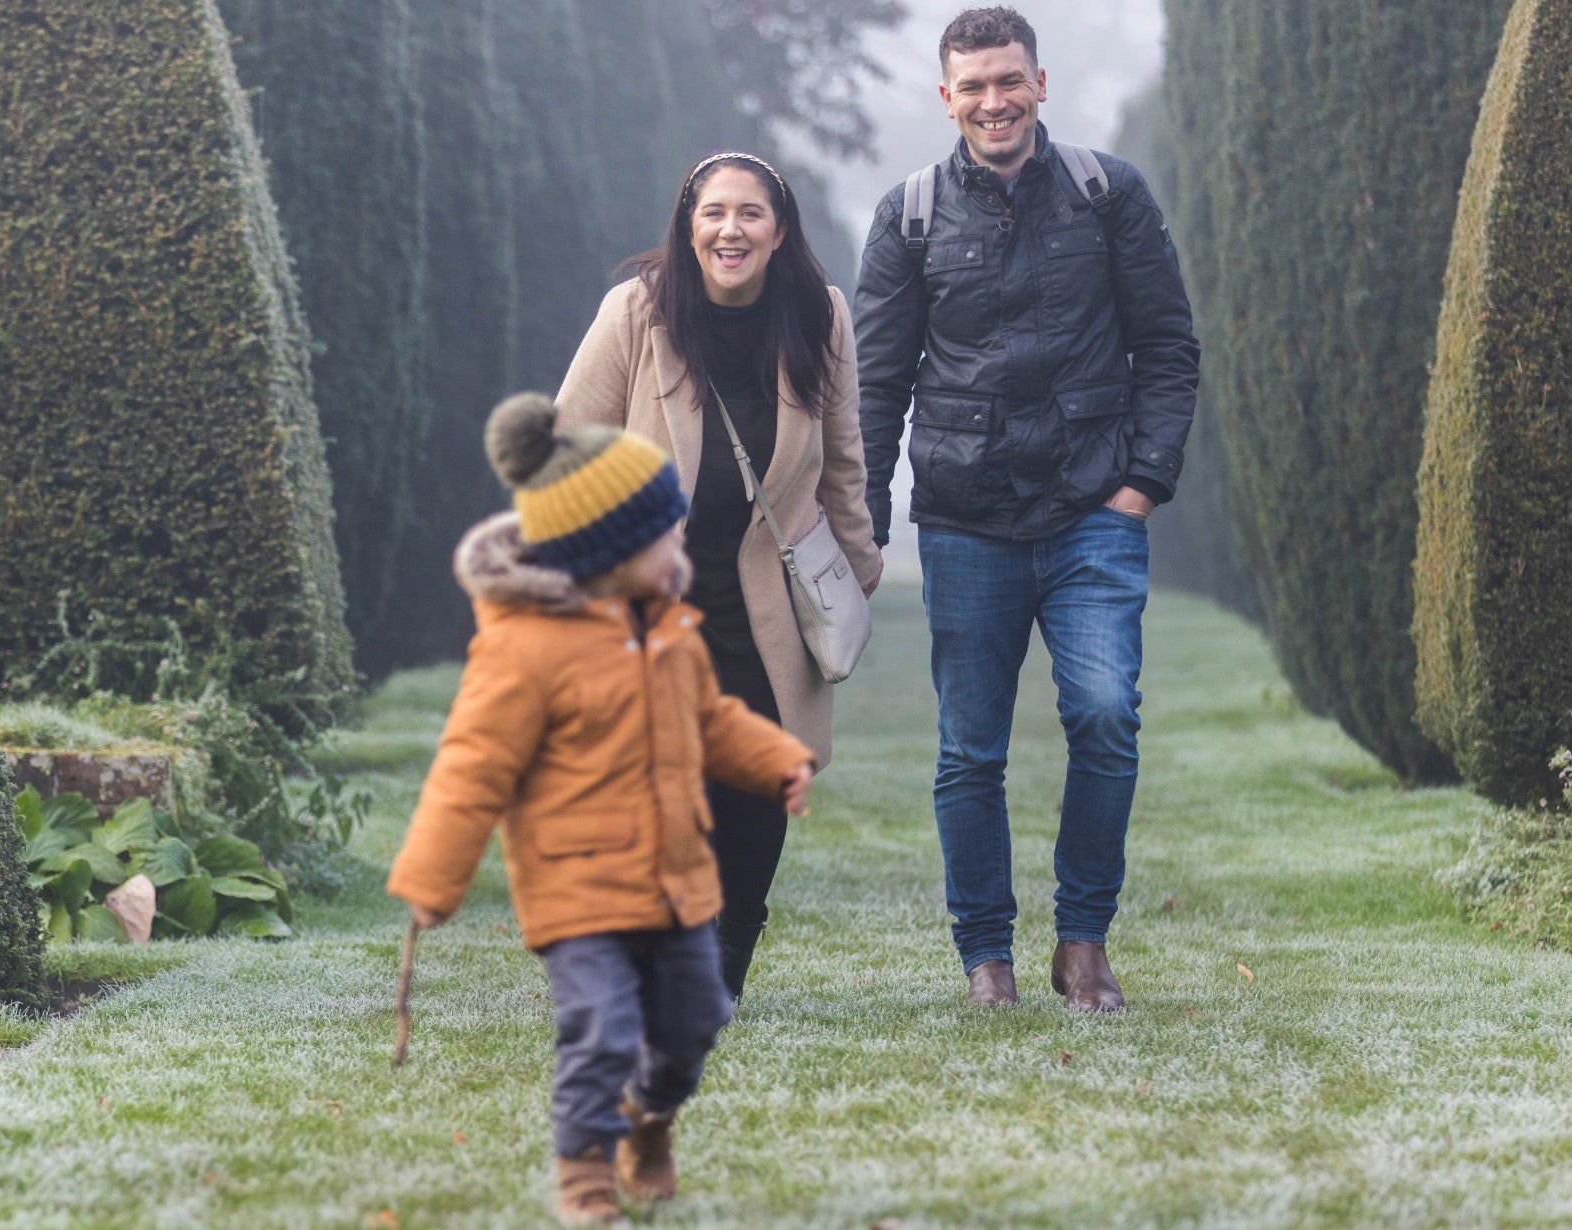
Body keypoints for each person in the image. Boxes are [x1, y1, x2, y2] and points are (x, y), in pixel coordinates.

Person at [386, 392, 816, 1226]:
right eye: (663, 530)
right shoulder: (523, 649)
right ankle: (583, 1173)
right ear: (606, 549)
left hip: (676, 880)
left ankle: (646, 1119)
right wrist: (433, 880)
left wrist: (776, 760)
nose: (677, 541)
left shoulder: (669, 630)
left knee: (696, 1019)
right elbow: (470, 769)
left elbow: (713, 721)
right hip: (577, 892)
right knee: (602, 1031)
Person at [853, 6, 1200, 1011]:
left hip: (1093, 506)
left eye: (1008, 81)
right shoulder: (907, 215)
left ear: (1037, 85)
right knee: (969, 748)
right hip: (964, 521)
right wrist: (867, 521)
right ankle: (985, 959)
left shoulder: (1107, 195)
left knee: (1103, 715)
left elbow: (1167, 347)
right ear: (945, 97)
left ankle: (1081, 945)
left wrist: (1141, 482)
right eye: (972, 86)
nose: (992, 101)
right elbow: (875, 388)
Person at [555, 151, 881, 1000]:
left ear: (779, 230)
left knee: (755, 792)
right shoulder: (638, 312)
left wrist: (858, 564)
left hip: (764, 597)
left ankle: (730, 949)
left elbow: (843, 459)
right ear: (689, 224)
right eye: (714, 213)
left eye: (750, 214)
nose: (730, 230)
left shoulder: (821, 316)